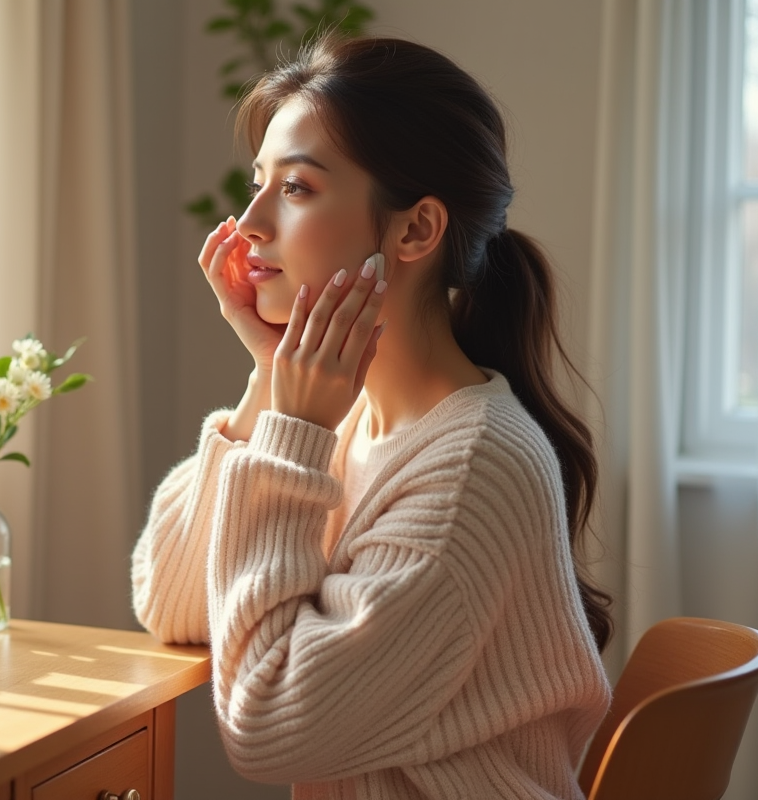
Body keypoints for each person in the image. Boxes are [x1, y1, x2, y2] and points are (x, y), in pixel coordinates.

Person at [131, 33, 612, 800]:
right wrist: (267, 381)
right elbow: (173, 605)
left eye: (296, 189)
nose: (249, 222)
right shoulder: (346, 419)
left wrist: (293, 438)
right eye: (258, 183)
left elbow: (263, 725)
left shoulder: (472, 466)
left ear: (416, 230)